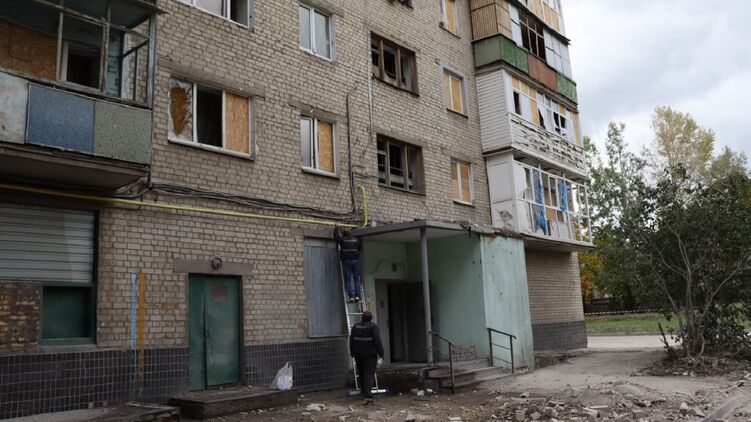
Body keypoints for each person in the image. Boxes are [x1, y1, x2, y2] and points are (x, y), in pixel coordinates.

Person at [349, 311, 384, 404]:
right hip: (369, 354)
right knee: (368, 374)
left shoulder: (355, 326)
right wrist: (381, 353)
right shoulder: (373, 327)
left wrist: (352, 351)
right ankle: (368, 394)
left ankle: (363, 391)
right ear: (371, 318)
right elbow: (377, 341)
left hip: (358, 354)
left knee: (361, 373)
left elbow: (351, 340)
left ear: (362, 317)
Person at [334, 226, 361, 302]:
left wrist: (336, 228)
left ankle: (351, 296)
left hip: (346, 262)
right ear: (350, 233)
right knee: (356, 279)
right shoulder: (356, 240)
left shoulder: (342, 240)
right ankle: (357, 296)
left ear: (343, 234)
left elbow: (336, 237)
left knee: (348, 280)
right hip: (355, 261)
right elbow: (359, 249)